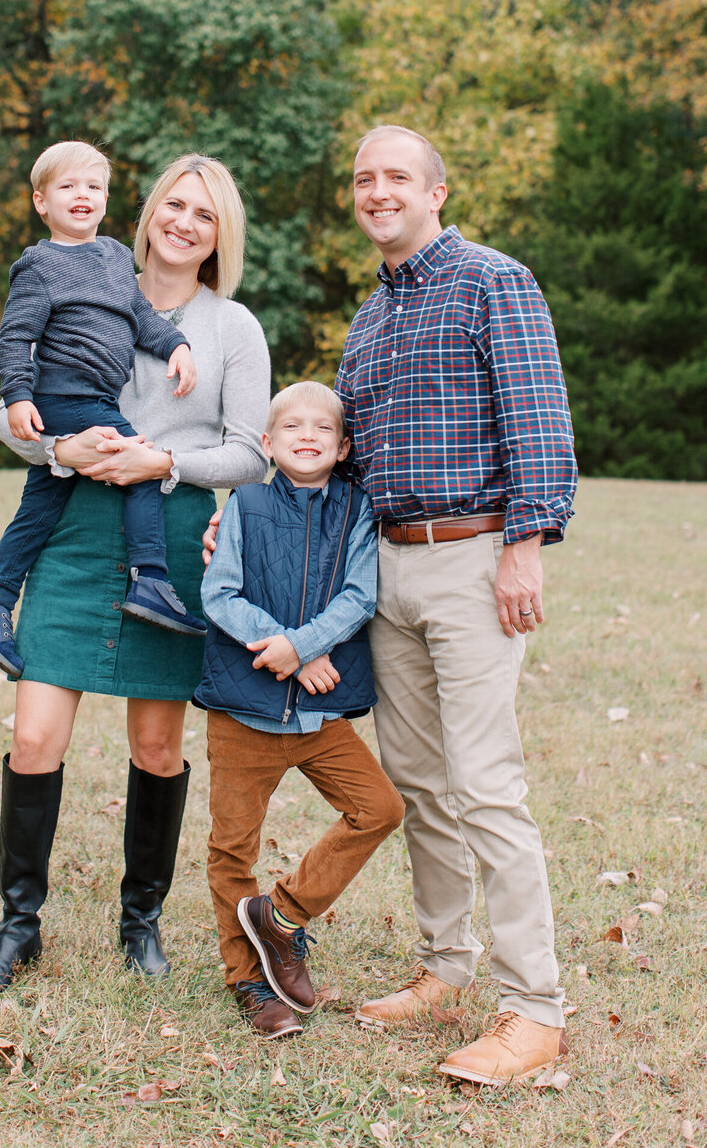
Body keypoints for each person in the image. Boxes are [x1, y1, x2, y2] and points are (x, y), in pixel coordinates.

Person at [0, 153, 270, 993]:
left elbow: (251, 453)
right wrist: (57, 446)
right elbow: (10, 405)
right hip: (69, 521)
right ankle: (17, 926)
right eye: (173, 204)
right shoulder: (83, 270)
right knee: (33, 736)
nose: (184, 222)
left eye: (203, 215)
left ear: (219, 234)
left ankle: (141, 922)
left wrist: (158, 459)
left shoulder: (230, 327)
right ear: (147, 212)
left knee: (157, 743)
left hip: (166, 541)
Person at [337, 125, 578, 1087]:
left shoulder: (493, 280)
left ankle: (535, 1011)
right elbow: (346, 459)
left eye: (397, 176)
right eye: (364, 179)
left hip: (477, 557)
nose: (378, 191)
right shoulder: (368, 317)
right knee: (421, 783)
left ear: (438, 191)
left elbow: (538, 414)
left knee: (485, 785)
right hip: (388, 570)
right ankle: (444, 965)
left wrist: (525, 545)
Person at [196, 382, 405, 1040]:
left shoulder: (358, 509)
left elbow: (358, 596)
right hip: (243, 713)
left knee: (380, 808)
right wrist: (284, 650)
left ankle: (281, 916)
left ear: (344, 447)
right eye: (291, 426)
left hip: (321, 719)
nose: (306, 434)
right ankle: (252, 985)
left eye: (322, 427)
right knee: (232, 850)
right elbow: (221, 593)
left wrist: (304, 644)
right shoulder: (246, 505)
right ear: (267, 442)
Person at [0, 140, 202, 676]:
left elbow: (140, 314)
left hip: (92, 397)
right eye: (68, 187)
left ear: (107, 200)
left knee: (41, 506)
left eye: (93, 186)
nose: (82, 196)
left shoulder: (117, 256)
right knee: (136, 462)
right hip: (66, 395)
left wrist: (176, 344)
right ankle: (151, 580)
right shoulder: (38, 265)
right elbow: (15, 337)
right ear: (41, 202)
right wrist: (18, 395)